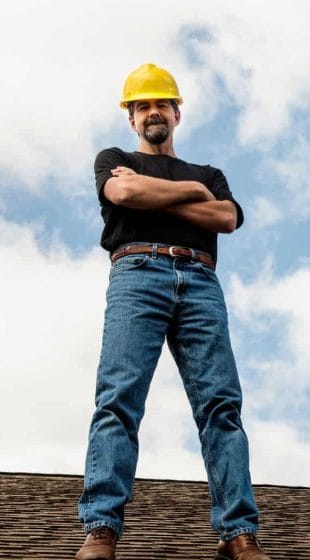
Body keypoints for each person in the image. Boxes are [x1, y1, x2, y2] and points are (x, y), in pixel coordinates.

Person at [76, 63, 270, 560]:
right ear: (131, 118)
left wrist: (153, 195)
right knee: (118, 400)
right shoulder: (115, 159)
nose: (152, 112)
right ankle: (101, 531)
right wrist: (191, 195)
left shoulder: (210, 174)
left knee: (221, 407)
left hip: (201, 280)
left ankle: (238, 535)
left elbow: (226, 217)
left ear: (177, 113)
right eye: (143, 106)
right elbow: (121, 193)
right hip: (137, 272)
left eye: (161, 103)